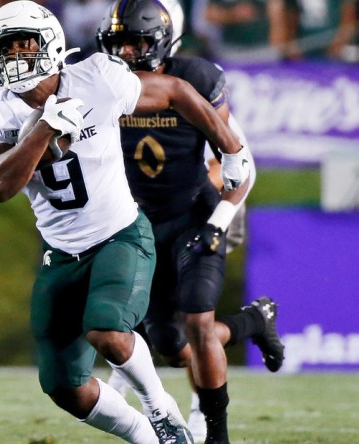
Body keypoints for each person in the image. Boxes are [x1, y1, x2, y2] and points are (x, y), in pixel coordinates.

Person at [0, 1, 251, 443]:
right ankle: (144, 435)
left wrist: (229, 147)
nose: (16, 56)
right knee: (64, 387)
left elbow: (175, 91)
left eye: (25, 44)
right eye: (6, 48)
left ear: (51, 45)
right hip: (59, 253)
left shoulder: (97, 77)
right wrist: (43, 128)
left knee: (108, 331)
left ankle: (159, 407)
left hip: (121, 234)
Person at [96, 1, 285, 442]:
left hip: (193, 215)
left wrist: (218, 223)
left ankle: (216, 434)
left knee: (199, 320)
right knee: (172, 345)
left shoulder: (196, 80)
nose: (126, 53)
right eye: (118, 43)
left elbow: (240, 162)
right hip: (138, 221)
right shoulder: (100, 84)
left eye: (136, 42)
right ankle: (253, 322)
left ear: (160, 41)